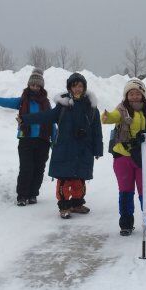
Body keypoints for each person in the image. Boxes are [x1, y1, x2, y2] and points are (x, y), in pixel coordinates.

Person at [20, 72, 103, 219]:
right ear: (69, 88)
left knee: (79, 178)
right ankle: (64, 206)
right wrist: (25, 119)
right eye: (74, 86)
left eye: (80, 86)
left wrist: (97, 149)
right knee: (64, 179)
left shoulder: (91, 107)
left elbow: (97, 130)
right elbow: (46, 116)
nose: (77, 89)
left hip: (84, 149)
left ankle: (77, 203)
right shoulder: (63, 106)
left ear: (84, 88)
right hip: (65, 148)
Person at [0, 68, 55, 206]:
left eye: (37, 85)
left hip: (43, 140)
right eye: (32, 85)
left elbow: (51, 121)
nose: (35, 87)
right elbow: (6, 101)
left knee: (39, 169)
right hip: (26, 139)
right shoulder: (23, 101)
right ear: (29, 85)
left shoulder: (46, 103)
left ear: (41, 86)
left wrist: (54, 138)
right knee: (26, 168)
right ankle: (22, 196)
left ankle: (33, 194)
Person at [102, 78, 146, 237]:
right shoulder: (121, 110)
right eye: (131, 94)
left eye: (137, 93)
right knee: (126, 191)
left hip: (143, 157)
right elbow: (112, 117)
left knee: (145, 191)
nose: (134, 96)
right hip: (123, 156)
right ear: (126, 95)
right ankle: (126, 224)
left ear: (143, 95)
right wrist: (106, 117)